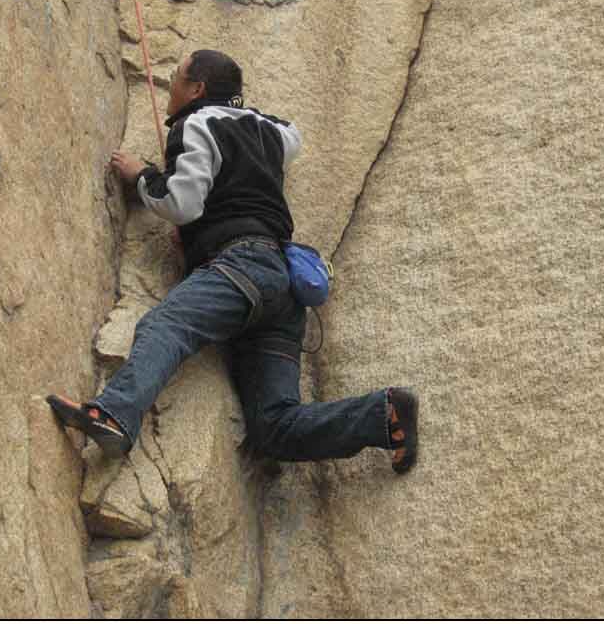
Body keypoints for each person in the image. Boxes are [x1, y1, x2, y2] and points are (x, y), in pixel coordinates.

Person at [47, 49, 418, 473]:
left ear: (197, 89)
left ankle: (114, 413)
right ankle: (383, 415)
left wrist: (143, 176)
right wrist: (238, 110)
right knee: (272, 427)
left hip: (240, 266)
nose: (170, 86)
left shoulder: (194, 124)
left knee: (166, 325)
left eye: (177, 78)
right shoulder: (267, 129)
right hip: (283, 288)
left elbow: (182, 203)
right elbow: (292, 135)